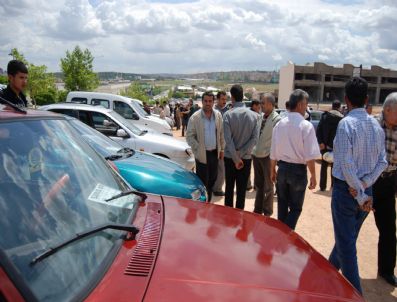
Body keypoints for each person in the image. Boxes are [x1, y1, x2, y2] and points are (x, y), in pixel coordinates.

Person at [328, 77, 387, 294]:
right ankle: (326, 277)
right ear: (367, 99)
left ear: (346, 100)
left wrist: (359, 191)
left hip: (348, 192)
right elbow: (383, 161)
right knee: (346, 240)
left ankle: (357, 296)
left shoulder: (346, 124)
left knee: (347, 247)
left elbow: (345, 164)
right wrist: (364, 185)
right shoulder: (375, 125)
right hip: (365, 191)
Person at [270, 89, 320, 230]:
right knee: (296, 208)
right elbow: (310, 155)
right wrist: (313, 176)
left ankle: (281, 235)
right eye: (306, 104)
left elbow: (273, 152)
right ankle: (286, 234)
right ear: (299, 104)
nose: (306, 107)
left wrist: (272, 170)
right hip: (298, 171)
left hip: (283, 169)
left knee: (282, 206)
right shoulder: (306, 126)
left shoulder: (279, 124)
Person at [372, 92, 397, 286]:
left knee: (388, 229)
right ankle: (337, 268)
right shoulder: (371, 126)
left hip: (388, 182)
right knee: (352, 228)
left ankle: (386, 270)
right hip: (369, 183)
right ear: (387, 110)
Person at [223, 84, 259, 209]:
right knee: (241, 190)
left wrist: (235, 156)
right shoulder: (254, 116)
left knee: (229, 189)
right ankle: (239, 219)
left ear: (232, 97)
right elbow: (255, 139)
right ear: (242, 96)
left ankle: (228, 220)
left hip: (230, 158)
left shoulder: (228, 115)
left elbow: (228, 139)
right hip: (246, 158)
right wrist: (241, 153)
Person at [186, 91, 225, 202]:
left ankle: (208, 202)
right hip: (202, 155)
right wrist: (198, 148)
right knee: (203, 182)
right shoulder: (195, 117)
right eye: (206, 101)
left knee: (212, 180)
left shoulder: (218, 115)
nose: (208, 103)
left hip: (214, 154)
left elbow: (221, 133)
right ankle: (203, 205)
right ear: (202, 102)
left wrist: (222, 149)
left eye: (210, 101)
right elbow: (189, 136)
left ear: (213, 102)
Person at [252, 93, 281, 216]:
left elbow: (278, 142)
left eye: (263, 103)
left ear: (270, 104)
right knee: (259, 185)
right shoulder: (260, 117)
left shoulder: (277, 120)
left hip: (268, 158)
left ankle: (267, 212)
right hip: (256, 155)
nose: (261, 105)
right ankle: (257, 210)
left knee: (269, 187)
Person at [316, 100, 343, 191]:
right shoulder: (342, 119)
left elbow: (318, 130)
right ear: (339, 107)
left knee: (324, 166)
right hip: (336, 147)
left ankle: (322, 186)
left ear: (332, 106)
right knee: (334, 167)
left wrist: (321, 142)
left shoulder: (325, 117)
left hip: (325, 146)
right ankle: (333, 186)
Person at [213, 91, 228, 196]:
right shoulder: (213, 112)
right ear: (217, 99)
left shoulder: (227, 111)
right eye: (222, 99)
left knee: (221, 168)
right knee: (219, 168)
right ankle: (217, 188)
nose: (224, 101)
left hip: (224, 145)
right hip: (214, 144)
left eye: (225, 99)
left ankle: (216, 187)